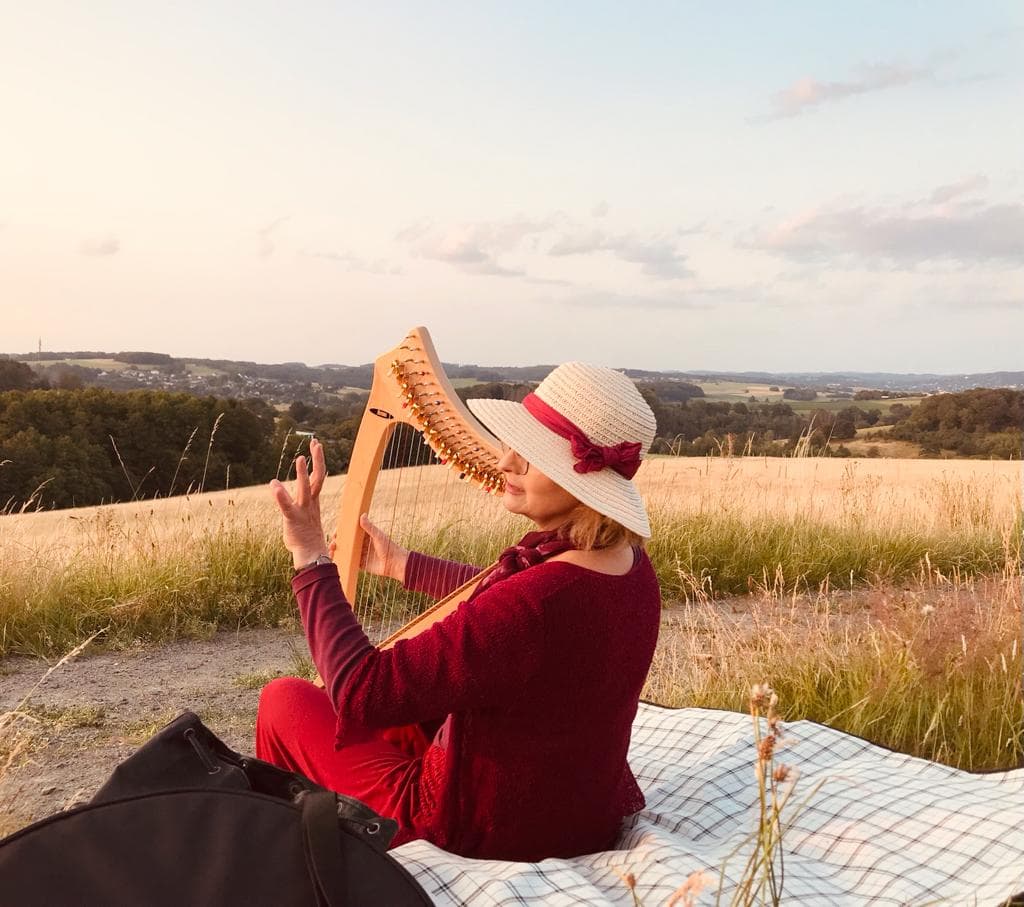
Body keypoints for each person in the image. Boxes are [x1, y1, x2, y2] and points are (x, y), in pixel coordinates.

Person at [255, 361, 661, 861]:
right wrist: (405, 566)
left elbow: (363, 691)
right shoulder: (627, 566)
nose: (507, 460)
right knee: (399, 720)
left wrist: (311, 558)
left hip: (484, 826)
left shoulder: (534, 604)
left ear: (579, 480)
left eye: (531, 454)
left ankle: (292, 857)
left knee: (286, 700)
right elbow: (504, 615)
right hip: (580, 811)